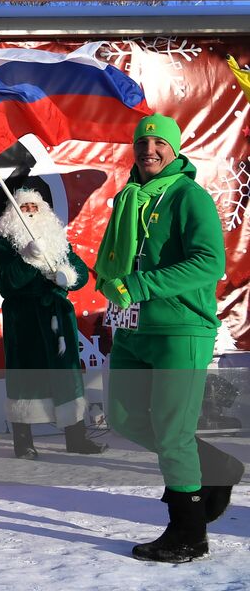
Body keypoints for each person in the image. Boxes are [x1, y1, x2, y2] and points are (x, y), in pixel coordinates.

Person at [96, 113, 243, 563]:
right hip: (132, 327)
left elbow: (208, 263)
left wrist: (140, 285)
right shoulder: (127, 198)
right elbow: (112, 264)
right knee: (122, 417)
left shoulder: (188, 196)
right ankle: (217, 467)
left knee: (173, 432)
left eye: (160, 142)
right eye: (143, 143)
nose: (150, 150)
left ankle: (188, 533)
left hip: (181, 328)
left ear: (175, 149)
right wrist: (90, 277)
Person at [0, 188, 106, 458]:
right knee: (25, 376)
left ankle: (76, 438)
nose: (30, 210)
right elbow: (8, 283)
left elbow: (80, 274)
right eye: (24, 206)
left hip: (57, 314)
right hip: (24, 318)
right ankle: (23, 442)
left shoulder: (58, 240)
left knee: (67, 376)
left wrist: (67, 276)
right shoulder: (3, 244)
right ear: (12, 213)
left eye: (35, 206)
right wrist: (28, 258)